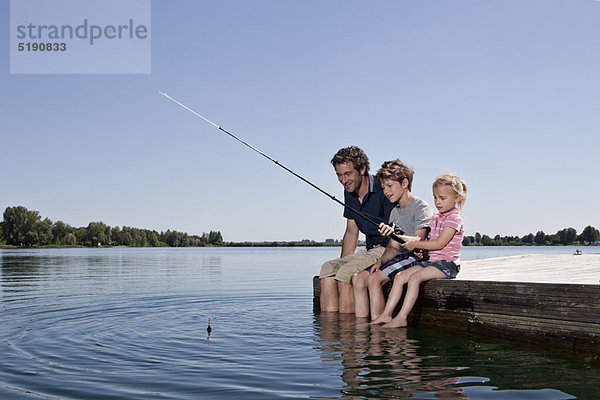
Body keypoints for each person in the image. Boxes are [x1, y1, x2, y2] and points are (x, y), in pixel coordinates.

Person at [372, 172, 467, 328]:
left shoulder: (454, 218)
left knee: (414, 278)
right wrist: (394, 234)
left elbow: (439, 244)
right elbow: (422, 240)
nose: (437, 202)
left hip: (447, 265)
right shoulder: (436, 217)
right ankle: (386, 315)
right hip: (432, 262)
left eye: (442, 198)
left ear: (456, 198)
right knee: (400, 276)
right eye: (435, 197)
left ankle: (402, 317)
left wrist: (416, 245)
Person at [352, 160, 433, 320]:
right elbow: (393, 247)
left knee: (374, 280)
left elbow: (418, 239)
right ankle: (360, 331)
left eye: (389, 186)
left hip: (415, 258)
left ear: (404, 183)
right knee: (358, 278)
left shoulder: (420, 207)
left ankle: (379, 326)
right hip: (399, 256)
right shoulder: (394, 213)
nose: (386, 191)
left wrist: (394, 233)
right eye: (383, 188)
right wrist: (380, 261)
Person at [319, 146, 394, 313]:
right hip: (370, 250)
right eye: (339, 175)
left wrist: (345, 271)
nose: (343, 180)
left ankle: (347, 336)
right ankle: (330, 335)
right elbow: (352, 231)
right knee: (327, 269)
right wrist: (342, 263)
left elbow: (398, 229)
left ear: (362, 169)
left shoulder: (385, 189)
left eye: (348, 174)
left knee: (346, 274)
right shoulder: (349, 192)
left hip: (389, 249)